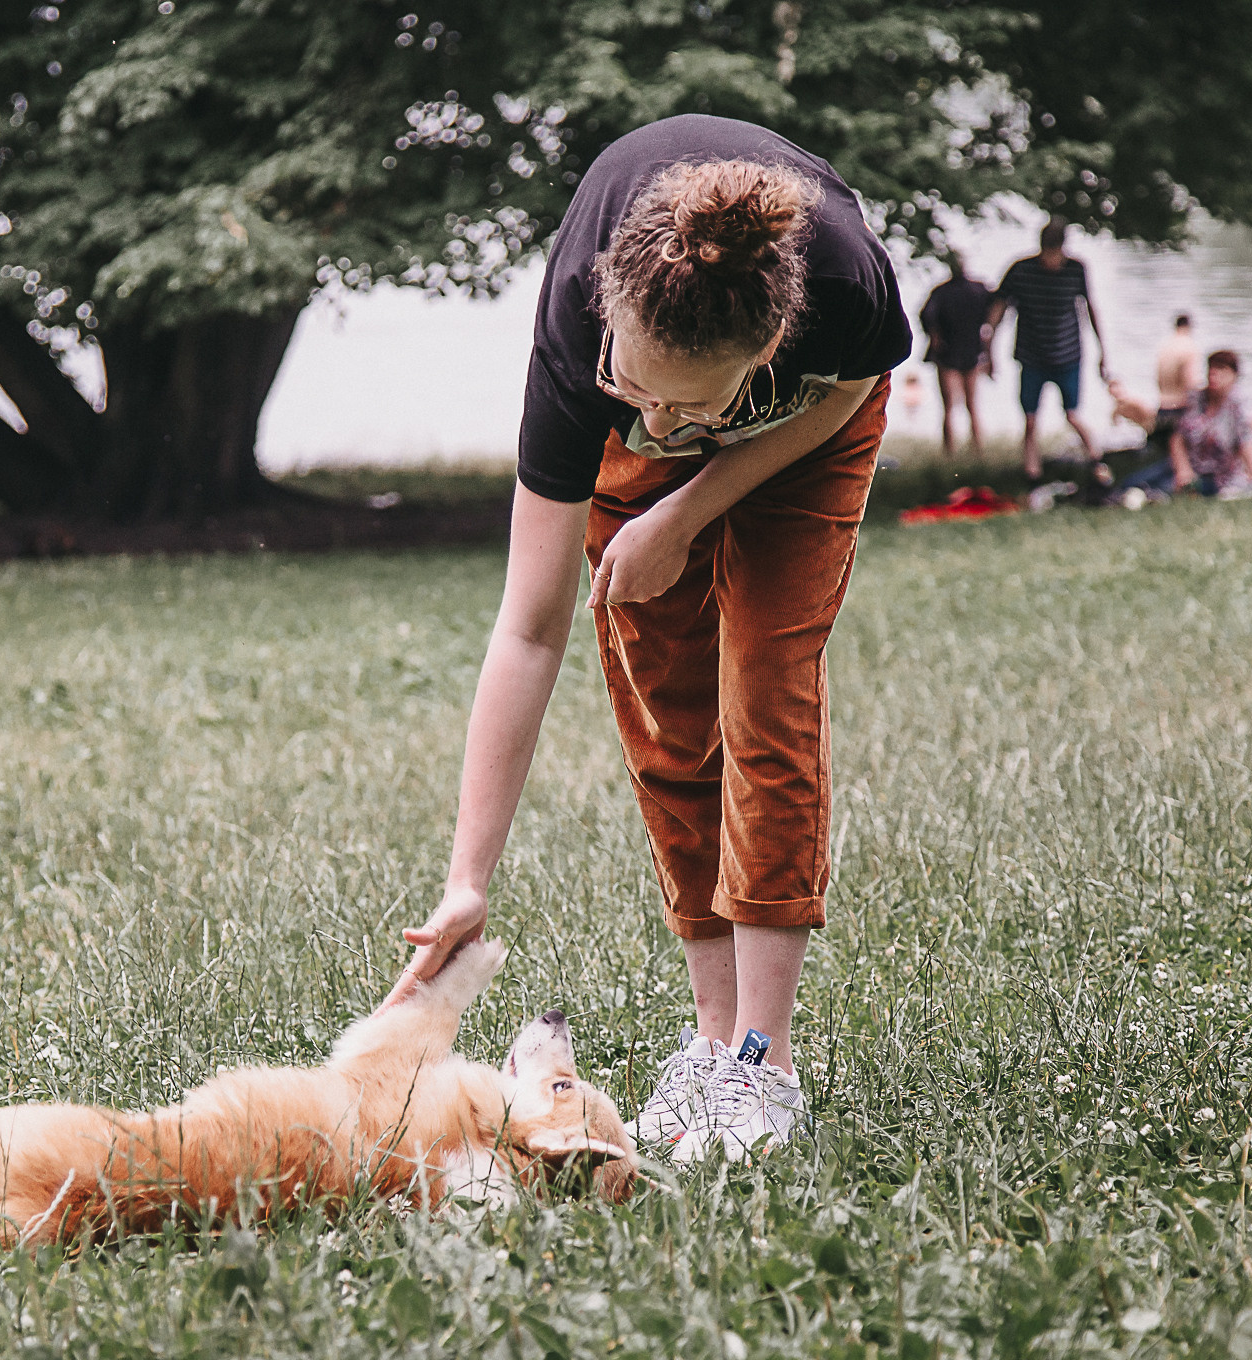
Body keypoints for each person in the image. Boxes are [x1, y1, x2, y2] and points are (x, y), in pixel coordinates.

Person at [381, 115, 911, 1163]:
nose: (659, 423)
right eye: (638, 389)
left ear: (764, 353)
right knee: (664, 702)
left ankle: (764, 1058)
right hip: (675, 398)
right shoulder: (585, 353)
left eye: (684, 406)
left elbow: (850, 387)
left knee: (764, 680)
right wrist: (467, 880)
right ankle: (711, 1043)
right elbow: (528, 631)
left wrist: (686, 507)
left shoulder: (841, 282)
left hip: (807, 430)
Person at [985, 219, 1109, 481]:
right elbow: (998, 308)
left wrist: (1102, 352)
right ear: (1041, 247)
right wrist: (989, 349)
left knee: (1072, 414)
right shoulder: (1021, 270)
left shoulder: (1076, 270)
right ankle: (1032, 475)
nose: (1051, 262)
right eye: (1047, 254)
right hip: (1032, 356)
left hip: (1068, 355)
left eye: (1055, 254)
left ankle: (1097, 461)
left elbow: (1090, 309)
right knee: (1030, 420)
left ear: (1063, 248)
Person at [1115, 350, 1252, 500]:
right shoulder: (1197, 399)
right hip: (1186, 464)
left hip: (1219, 474)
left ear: (1233, 375)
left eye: (1221, 370)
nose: (1214, 375)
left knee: (1161, 491)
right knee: (1131, 484)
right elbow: (1178, 438)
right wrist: (1183, 469)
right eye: (1211, 369)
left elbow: (1248, 444)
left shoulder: (1239, 405)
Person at [918, 252, 994, 457]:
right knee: (965, 406)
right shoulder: (977, 290)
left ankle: (960, 452)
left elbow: (926, 316)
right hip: (961, 351)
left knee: (956, 406)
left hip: (954, 352)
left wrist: (934, 336)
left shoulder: (941, 293)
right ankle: (969, 451)